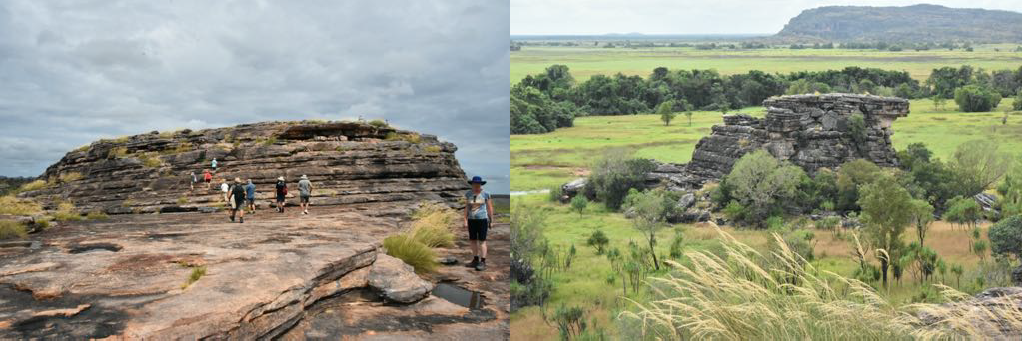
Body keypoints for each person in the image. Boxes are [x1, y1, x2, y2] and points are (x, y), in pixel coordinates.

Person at [464, 176, 493, 271]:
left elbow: (489, 207)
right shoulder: (468, 194)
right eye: (474, 184)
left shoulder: (486, 194)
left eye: (478, 184)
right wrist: (465, 219)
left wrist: (491, 220)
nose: (476, 185)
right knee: (472, 240)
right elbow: (467, 207)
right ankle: (475, 260)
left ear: (481, 184)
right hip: (471, 220)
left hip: (482, 220)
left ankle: (483, 262)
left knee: (482, 241)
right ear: (472, 184)